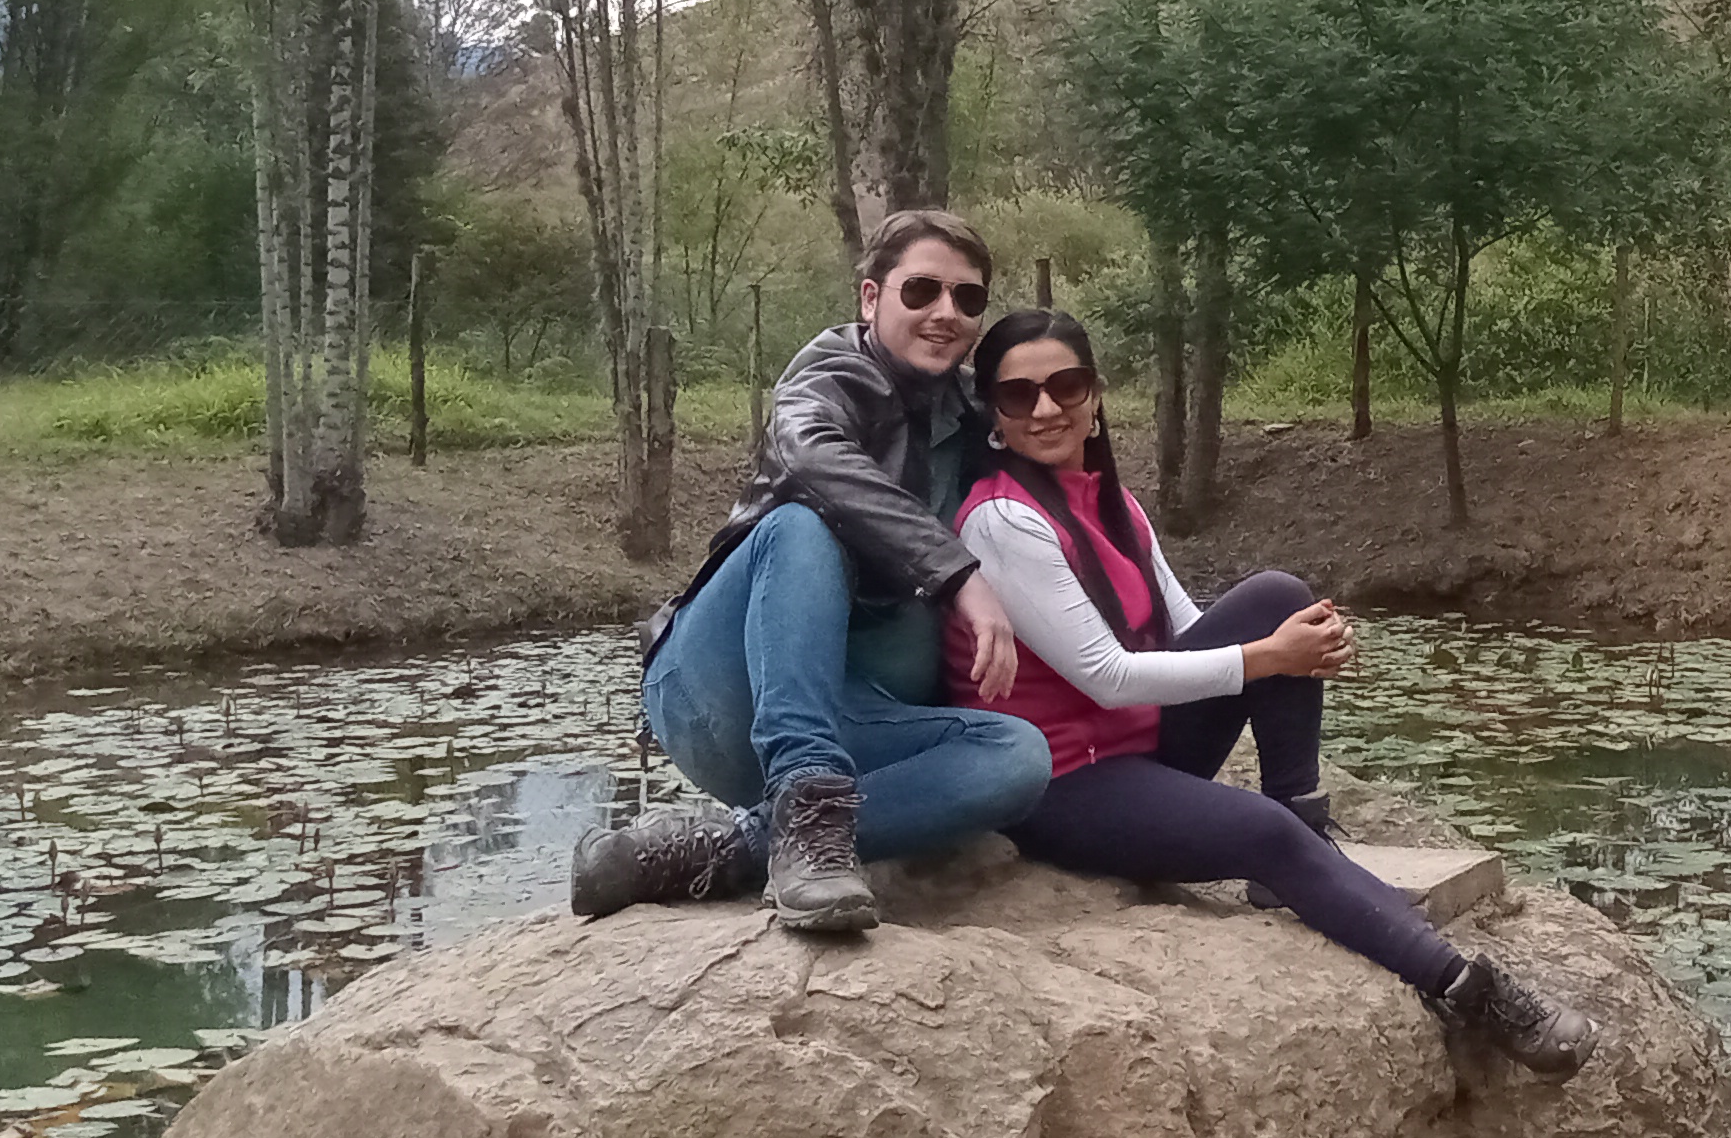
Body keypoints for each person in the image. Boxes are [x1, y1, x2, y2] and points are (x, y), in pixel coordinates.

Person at [945, 306, 1596, 1079]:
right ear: (993, 414)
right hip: (1063, 780)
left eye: (1066, 385)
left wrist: (1292, 647)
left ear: (1096, 395)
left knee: (1277, 595)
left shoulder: (1110, 501)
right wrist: (1266, 660)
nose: (1046, 408)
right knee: (1259, 821)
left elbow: (1188, 626)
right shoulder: (1001, 521)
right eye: (1019, 396)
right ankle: (1463, 989)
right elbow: (1107, 677)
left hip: (1137, 746)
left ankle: (1298, 829)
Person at [571, 209, 1052, 935]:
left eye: (968, 298)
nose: (945, 312)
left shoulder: (975, 415)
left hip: (853, 709)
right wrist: (960, 575)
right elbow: (812, 457)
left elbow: (1061, 499)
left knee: (1018, 756)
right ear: (870, 299)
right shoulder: (825, 379)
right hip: (720, 686)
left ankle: (736, 845)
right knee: (799, 522)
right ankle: (803, 797)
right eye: (920, 291)